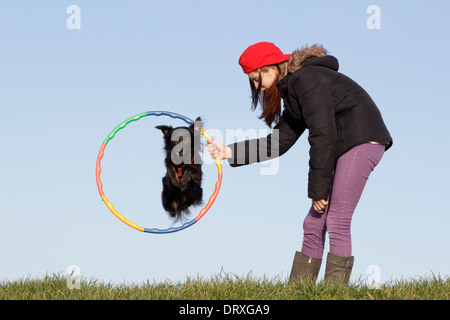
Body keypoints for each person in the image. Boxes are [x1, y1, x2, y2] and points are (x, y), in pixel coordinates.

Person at [206, 42, 392, 284]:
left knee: (337, 219)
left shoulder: (305, 79)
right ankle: (299, 292)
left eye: (255, 78)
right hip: (341, 145)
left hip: (361, 140)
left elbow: (322, 134)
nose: (256, 86)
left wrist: (318, 190)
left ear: (271, 67)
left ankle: (334, 293)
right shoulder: (293, 89)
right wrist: (229, 151)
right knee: (313, 222)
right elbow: (278, 142)